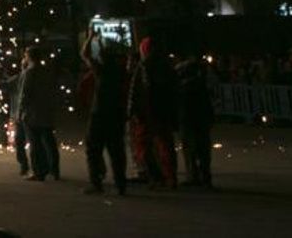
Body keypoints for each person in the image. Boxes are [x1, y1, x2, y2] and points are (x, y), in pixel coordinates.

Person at [128, 37, 179, 189]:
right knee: (165, 145)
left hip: (148, 112)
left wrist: (132, 111)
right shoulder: (166, 66)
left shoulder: (143, 66)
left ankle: (156, 177)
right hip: (163, 111)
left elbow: (135, 90)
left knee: (144, 146)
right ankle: (170, 177)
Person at [82, 39, 129, 196]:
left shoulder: (101, 70)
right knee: (116, 150)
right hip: (116, 114)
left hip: (100, 114)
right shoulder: (121, 71)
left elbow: (85, 54)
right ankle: (120, 183)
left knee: (93, 149)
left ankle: (96, 182)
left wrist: (90, 38)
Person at [17, 46, 60, 181]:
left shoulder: (29, 73)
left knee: (35, 144)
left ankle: (39, 171)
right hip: (46, 111)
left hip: (32, 113)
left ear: (29, 57)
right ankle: (54, 170)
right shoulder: (46, 71)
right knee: (49, 142)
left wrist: (20, 111)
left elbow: (25, 93)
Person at [177, 54, 216, 188]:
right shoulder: (200, 84)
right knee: (203, 150)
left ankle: (194, 176)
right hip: (200, 121)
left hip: (190, 122)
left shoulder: (185, 87)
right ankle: (205, 176)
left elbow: (182, 106)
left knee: (191, 150)